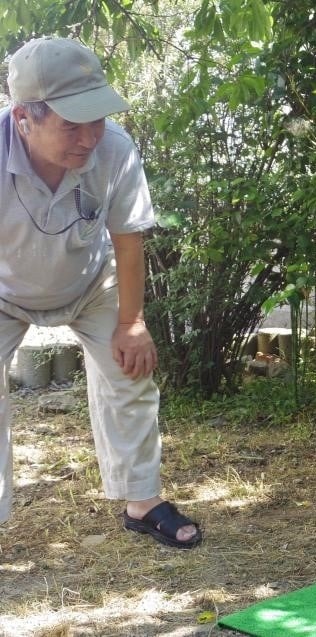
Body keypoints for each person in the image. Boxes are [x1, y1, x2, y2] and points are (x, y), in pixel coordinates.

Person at [0, 37, 201, 548]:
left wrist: (132, 322)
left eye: (96, 118)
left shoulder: (115, 149)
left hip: (91, 284)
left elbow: (127, 243)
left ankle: (142, 501)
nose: (89, 137)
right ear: (24, 118)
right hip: (2, 290)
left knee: (129, 374)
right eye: (71, 124)